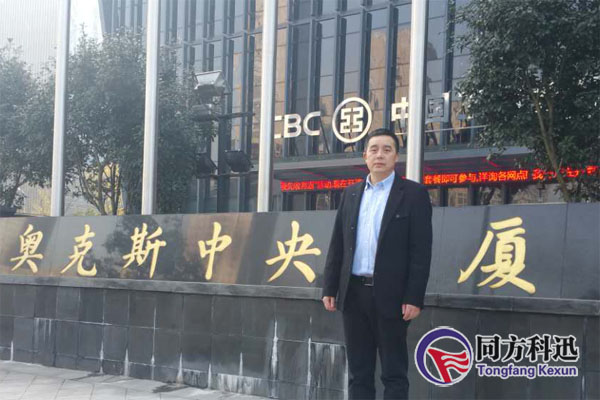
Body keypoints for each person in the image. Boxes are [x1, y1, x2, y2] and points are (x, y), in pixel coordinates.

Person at [322, 128, 433, 400]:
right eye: (374, 149)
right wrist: (330, 287)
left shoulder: (413, 194)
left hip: (392, 297)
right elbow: (338, 244)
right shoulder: (350, 194)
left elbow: (421, 251)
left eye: (386, 149)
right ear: (365, 156)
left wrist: (414, 297)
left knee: (394, 373)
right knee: (358, 373)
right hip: (354, 294)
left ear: (396, 157)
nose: (379, 155)